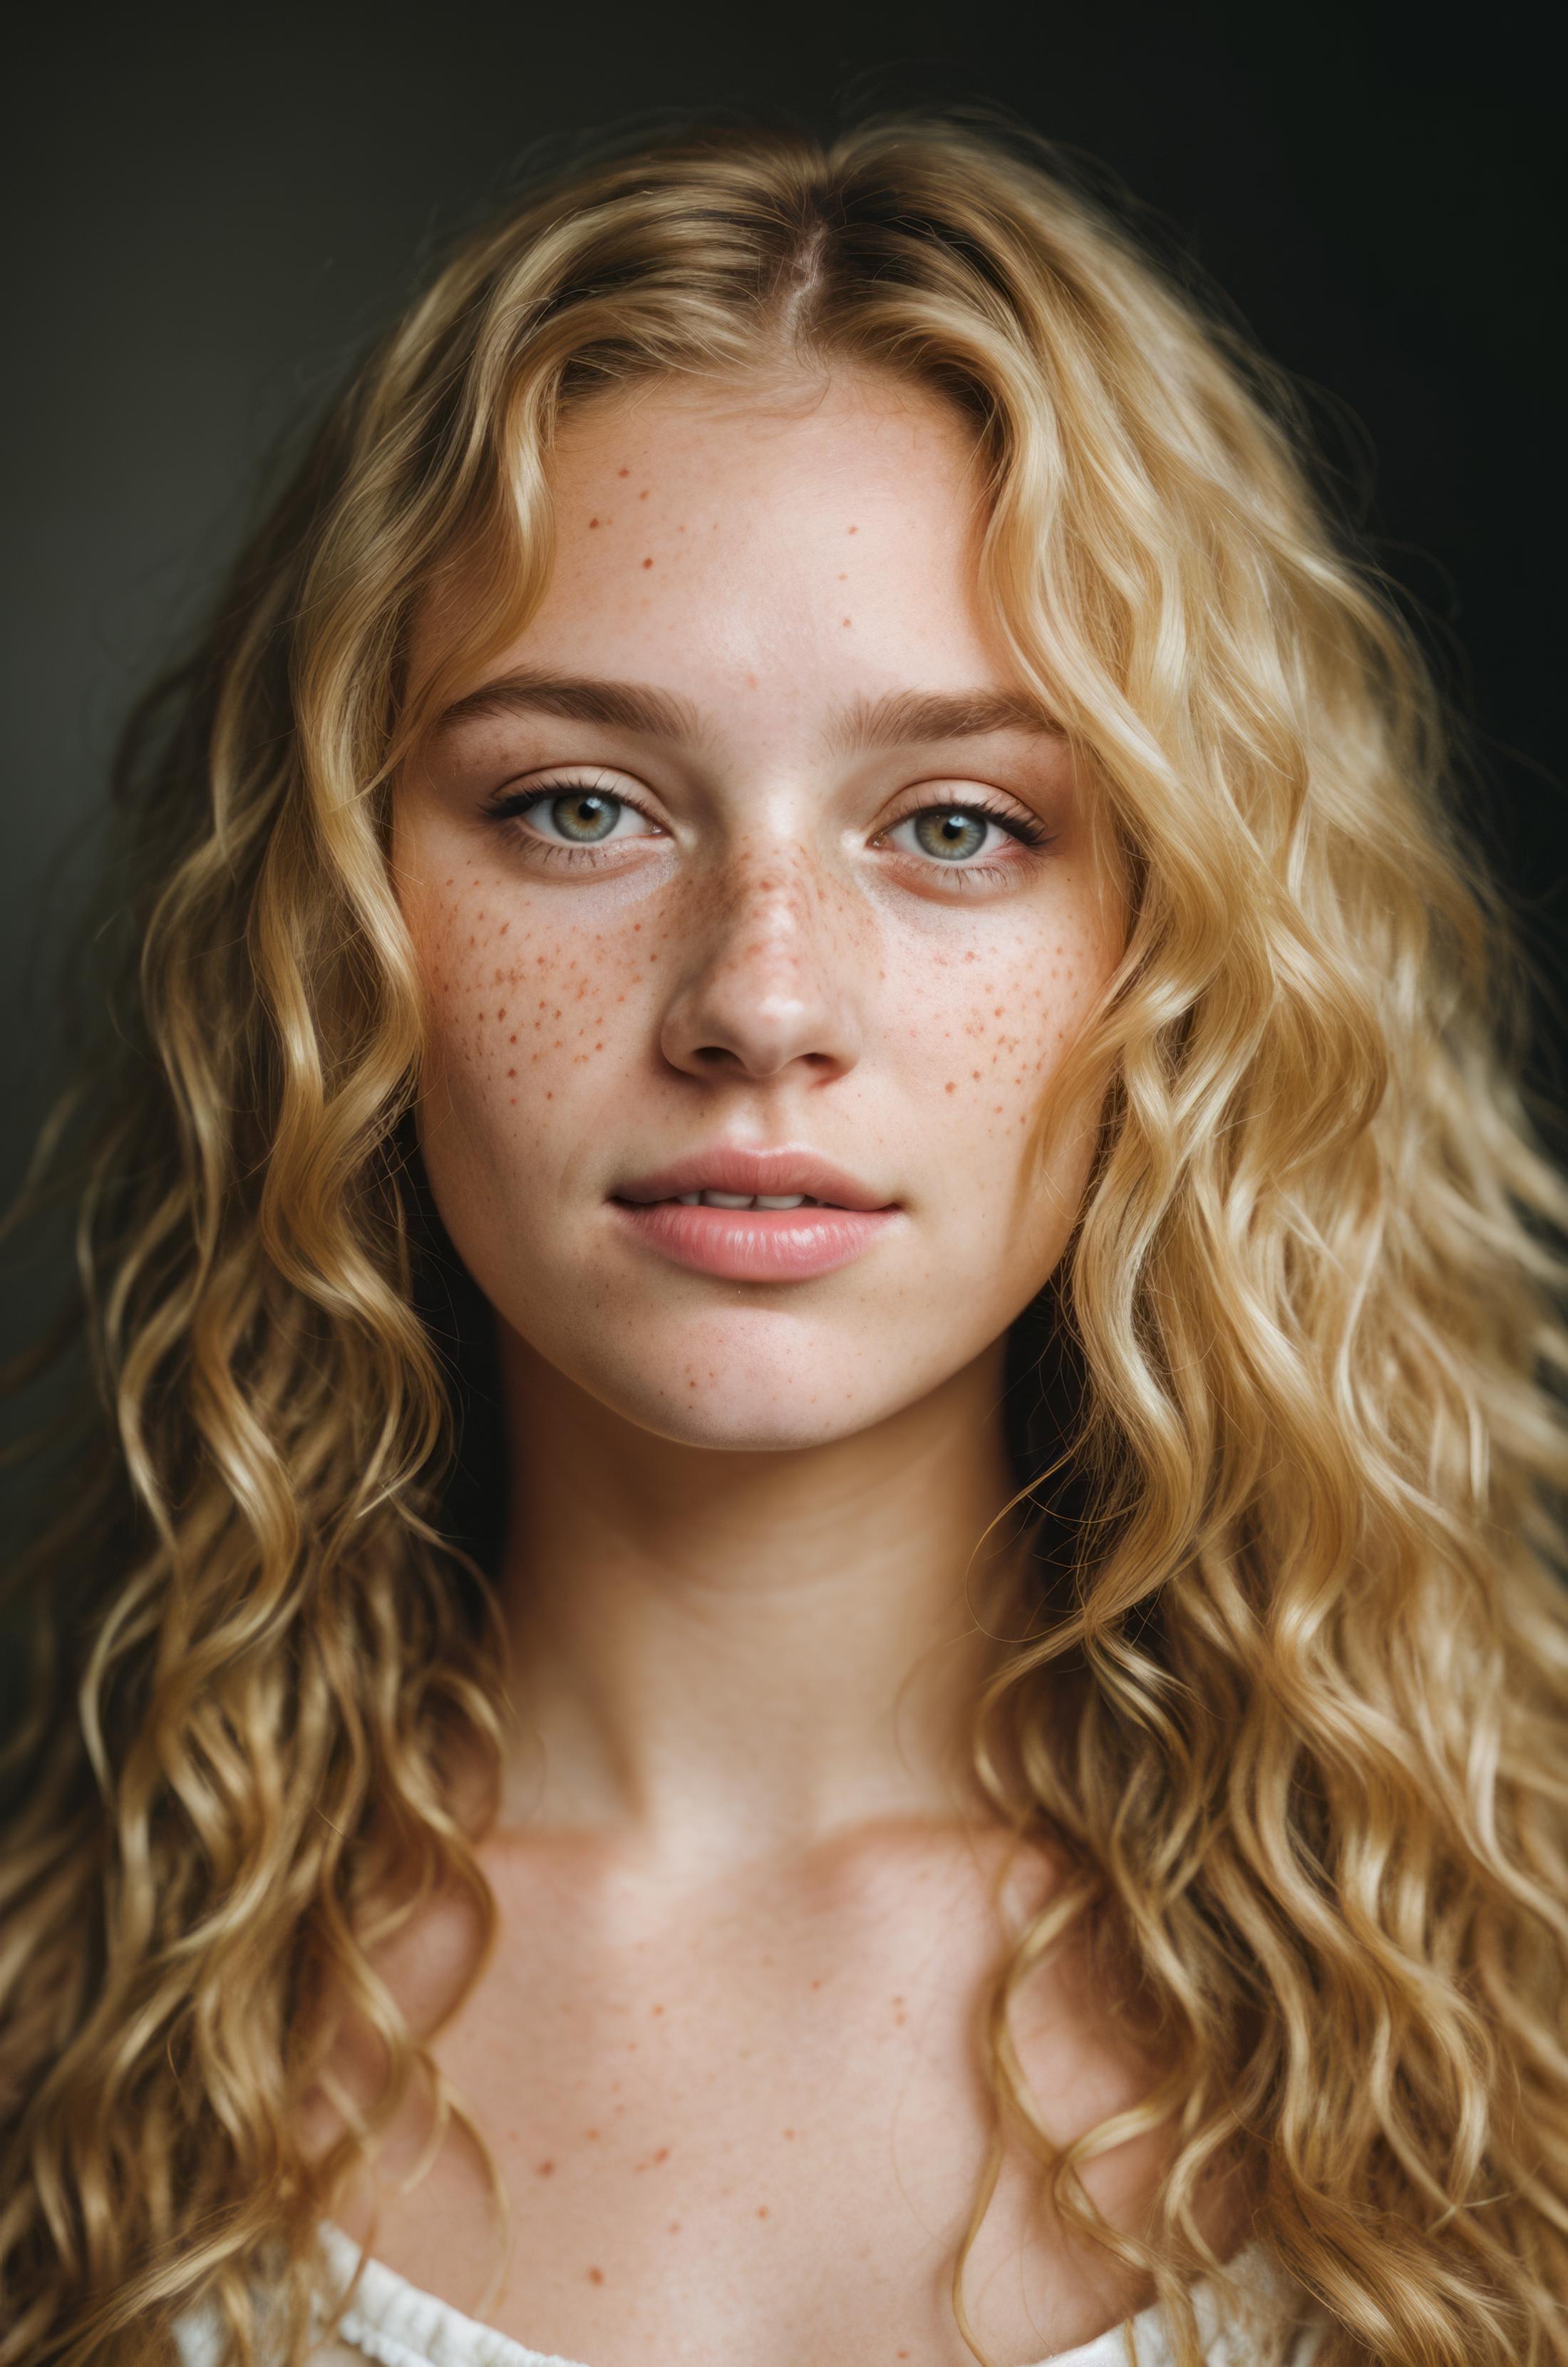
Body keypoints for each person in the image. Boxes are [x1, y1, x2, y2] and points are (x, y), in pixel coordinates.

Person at [2, 113, 1564, 2367]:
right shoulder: (63, 2061)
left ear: (1182, 949)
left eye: (955, 825)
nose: (760, 997)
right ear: (338, 922)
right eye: (579, 805)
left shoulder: (1512, 2029)